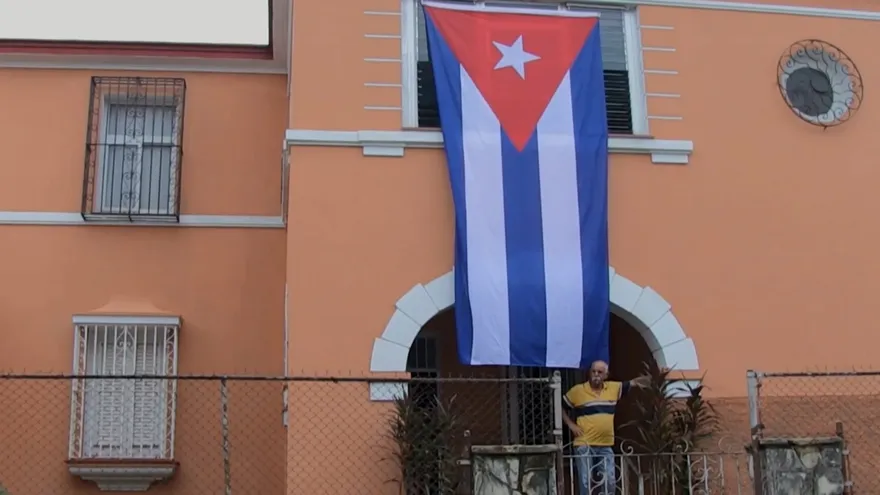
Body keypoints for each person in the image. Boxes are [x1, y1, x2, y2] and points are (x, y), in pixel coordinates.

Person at [563, 361, 666, 495]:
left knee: (610, 481)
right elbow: (560, 406)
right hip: (584, 444)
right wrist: (571, 425)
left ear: (606, 375)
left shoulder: (613, 388)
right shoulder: (578, 391)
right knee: (585, 481)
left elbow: (634, 382)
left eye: (600, 372)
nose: (596, 375)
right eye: (593, 371)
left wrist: (656, 377)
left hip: (605, 445)